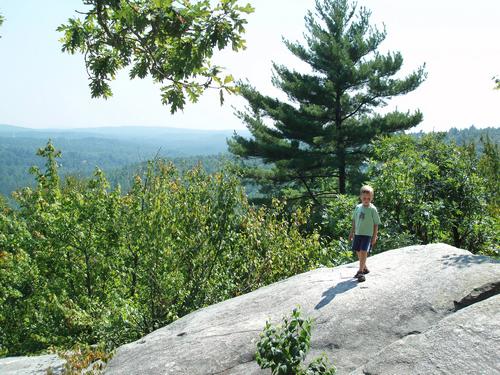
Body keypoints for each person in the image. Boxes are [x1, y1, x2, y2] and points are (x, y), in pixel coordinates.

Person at [349, 185, 381, 282]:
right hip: (358, 233)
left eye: (368, 198)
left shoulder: (372, 209)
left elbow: (376, 224)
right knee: (358, 250)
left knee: (363, 251)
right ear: (360, 197)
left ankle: (360, 272)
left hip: (367, 234)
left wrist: (374, 236)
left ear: (371, 198)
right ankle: (365, 267)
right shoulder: (358, 208)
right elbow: (354, 220)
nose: (366, 200)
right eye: (364, 198)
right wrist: (352, 232)